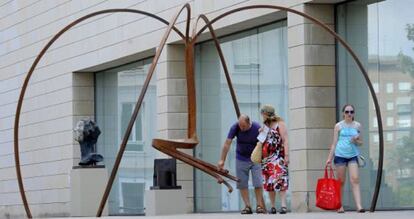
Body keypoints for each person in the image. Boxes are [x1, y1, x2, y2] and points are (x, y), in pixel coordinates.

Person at [217, 114, 266, 214]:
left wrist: (263, 134)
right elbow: (227, 143)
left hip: (255, 158)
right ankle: (247, 206)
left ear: (249, 123)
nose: (241, 128)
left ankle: (259, 206)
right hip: (241, 158)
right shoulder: (235, 127)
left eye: (243, 126)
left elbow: (264, 143)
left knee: (258, 182)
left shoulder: (256, 128)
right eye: (240, 125)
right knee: (242, 183)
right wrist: (222, 160)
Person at [326, 104, 365, 213]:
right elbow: (334, 143)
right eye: (347, 112)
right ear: (343, 113)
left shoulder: (357, 126)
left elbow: (361, 143)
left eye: (351, 112)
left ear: (354, 113)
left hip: (353, 155)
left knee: (355, 179)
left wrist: (356, 140)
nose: (349, 114)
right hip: (340, 155)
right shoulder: (338, 126)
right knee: (341, 181)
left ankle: (359, 206)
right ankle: (339, 205)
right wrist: (329, 158)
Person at [259, 104, 289, 214]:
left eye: (262, 113)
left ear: (266, 113)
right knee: (269, 182)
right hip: (267, 159)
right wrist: (261, 133)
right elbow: (261, 142)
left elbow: (285, 140)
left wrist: (286, 155)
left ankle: (283, 205)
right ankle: (272, 206)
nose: (262, 116)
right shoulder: (265, 126)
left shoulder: (280, 124)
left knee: (281, 180)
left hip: (278, 156)